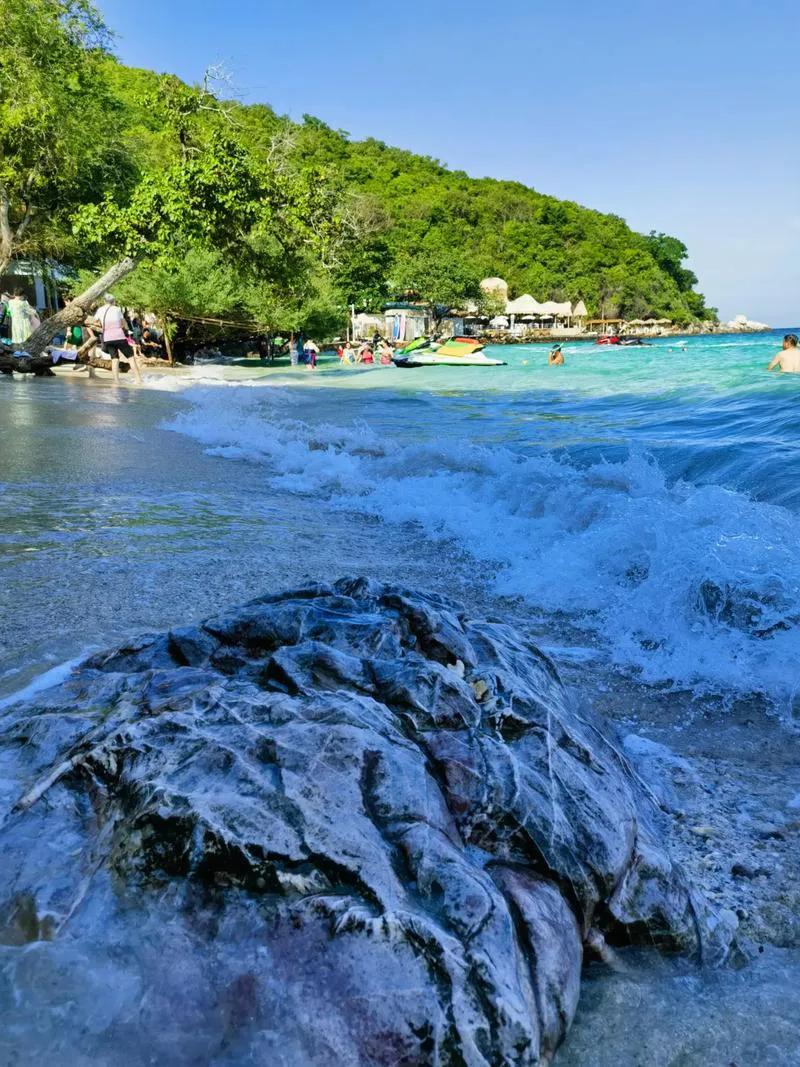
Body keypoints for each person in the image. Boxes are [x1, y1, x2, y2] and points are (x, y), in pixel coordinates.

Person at [92, 293, 143, 384]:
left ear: (104, 301)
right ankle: (138, 380)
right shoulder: (117, 309)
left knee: (114, 359)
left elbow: (94, 321)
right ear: (113, 301)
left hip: (107, 338)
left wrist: (102, 325)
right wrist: (127, 331)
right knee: (131, 358)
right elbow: (123, 323)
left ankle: (116, 381)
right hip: (118, 336)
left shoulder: (100, 310)